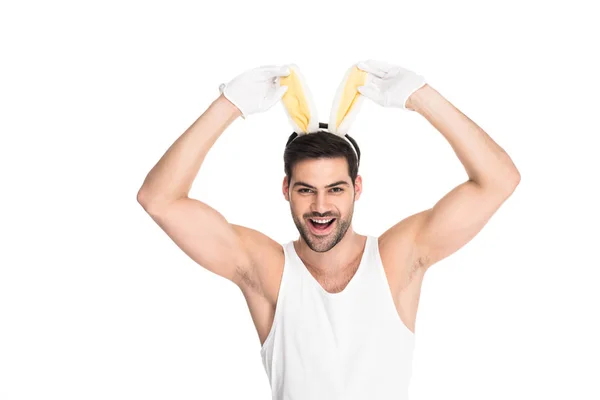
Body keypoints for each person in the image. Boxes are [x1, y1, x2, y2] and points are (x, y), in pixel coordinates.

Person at [136, 60, 521, 400]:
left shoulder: (397, 258)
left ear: (357, 188)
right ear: (286, 190)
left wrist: (421, 97)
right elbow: (159, 199)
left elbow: (499, 179)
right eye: (306, 190)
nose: (321, 207)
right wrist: (228, 105)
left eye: (335, 189)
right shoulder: (267, 269)